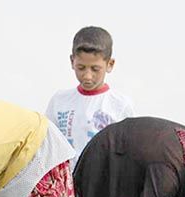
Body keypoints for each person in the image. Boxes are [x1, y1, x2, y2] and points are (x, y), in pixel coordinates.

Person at [45, 25, 135, 170]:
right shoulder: (59, 101)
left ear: (110, 64)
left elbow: (128, 151)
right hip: (67, 185)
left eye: (95, 69)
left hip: (103, 184)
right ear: (72, 61)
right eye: (81, 68)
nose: (87, 76)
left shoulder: (120, 105)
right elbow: (48, 145)